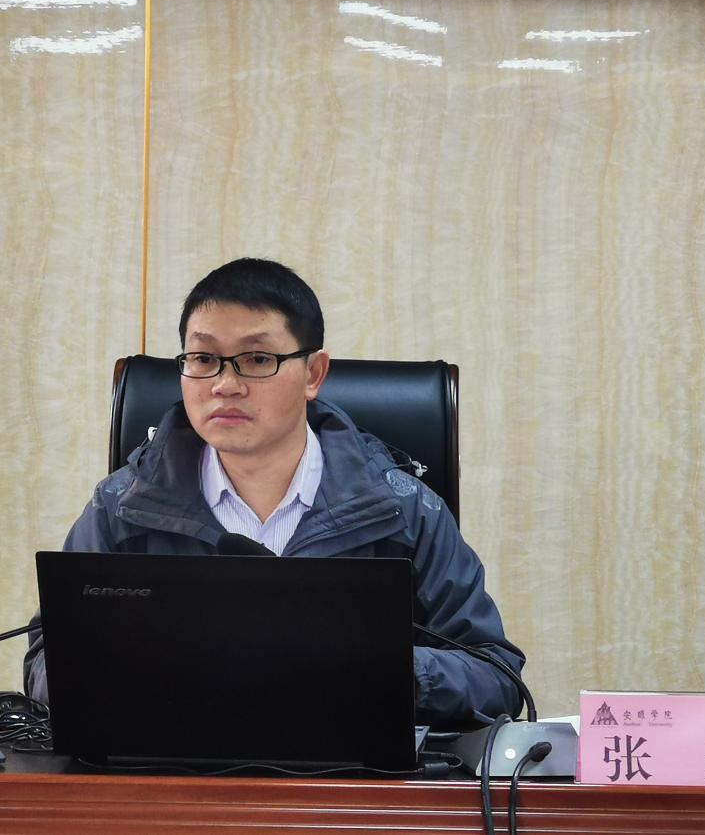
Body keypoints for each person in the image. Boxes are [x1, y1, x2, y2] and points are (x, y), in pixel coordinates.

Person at [24, 258, 524, 727]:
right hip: (169, 766)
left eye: (257, 358)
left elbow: (496, 676)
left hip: (349, 773)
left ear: (313, 373)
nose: (225, 384)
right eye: (204, 358)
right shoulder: (123, 506)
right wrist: (145, 669)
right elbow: (47, 660)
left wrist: (386, 669)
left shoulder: (404, 510)